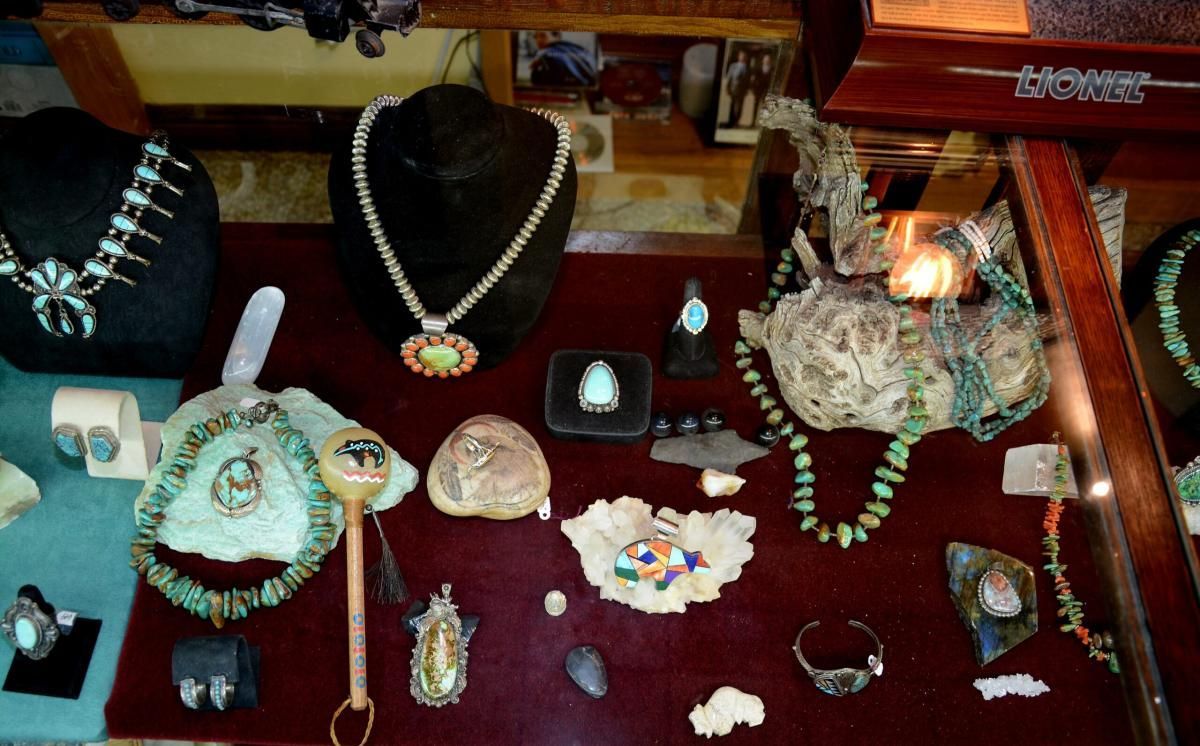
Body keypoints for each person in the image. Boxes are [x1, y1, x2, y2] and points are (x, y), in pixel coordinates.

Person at [528, 31, 597, 87]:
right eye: (536, 37)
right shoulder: (579, 50)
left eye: (543, 36)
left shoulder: (547, 52)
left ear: (557, 36)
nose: (538, 40)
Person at [724, 49, 750, 128]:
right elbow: (729, 78)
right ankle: (730, 122)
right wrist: (727, 88)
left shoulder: (747, 68)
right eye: (741, 56)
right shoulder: (733, 66)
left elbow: (747, 80)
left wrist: (747, 90)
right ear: (738, 57)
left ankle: (736, 122)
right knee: (732, 105)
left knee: (740, 106)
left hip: (742, 90)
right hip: (733, 89)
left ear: (746, 58)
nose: (742, 57)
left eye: (744, 56)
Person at [749, 51, 773, 123]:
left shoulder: (772, 69)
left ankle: (763, 122)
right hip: (758, 90)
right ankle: (753, 122)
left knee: (765, 107)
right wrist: (753, 89)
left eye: (768, 59)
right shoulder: (758, 68)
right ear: (763, 60)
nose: (767, 60)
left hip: (767, 91)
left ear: (770, 60)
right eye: (765, 59)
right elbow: (754, 79)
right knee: (755, 106)